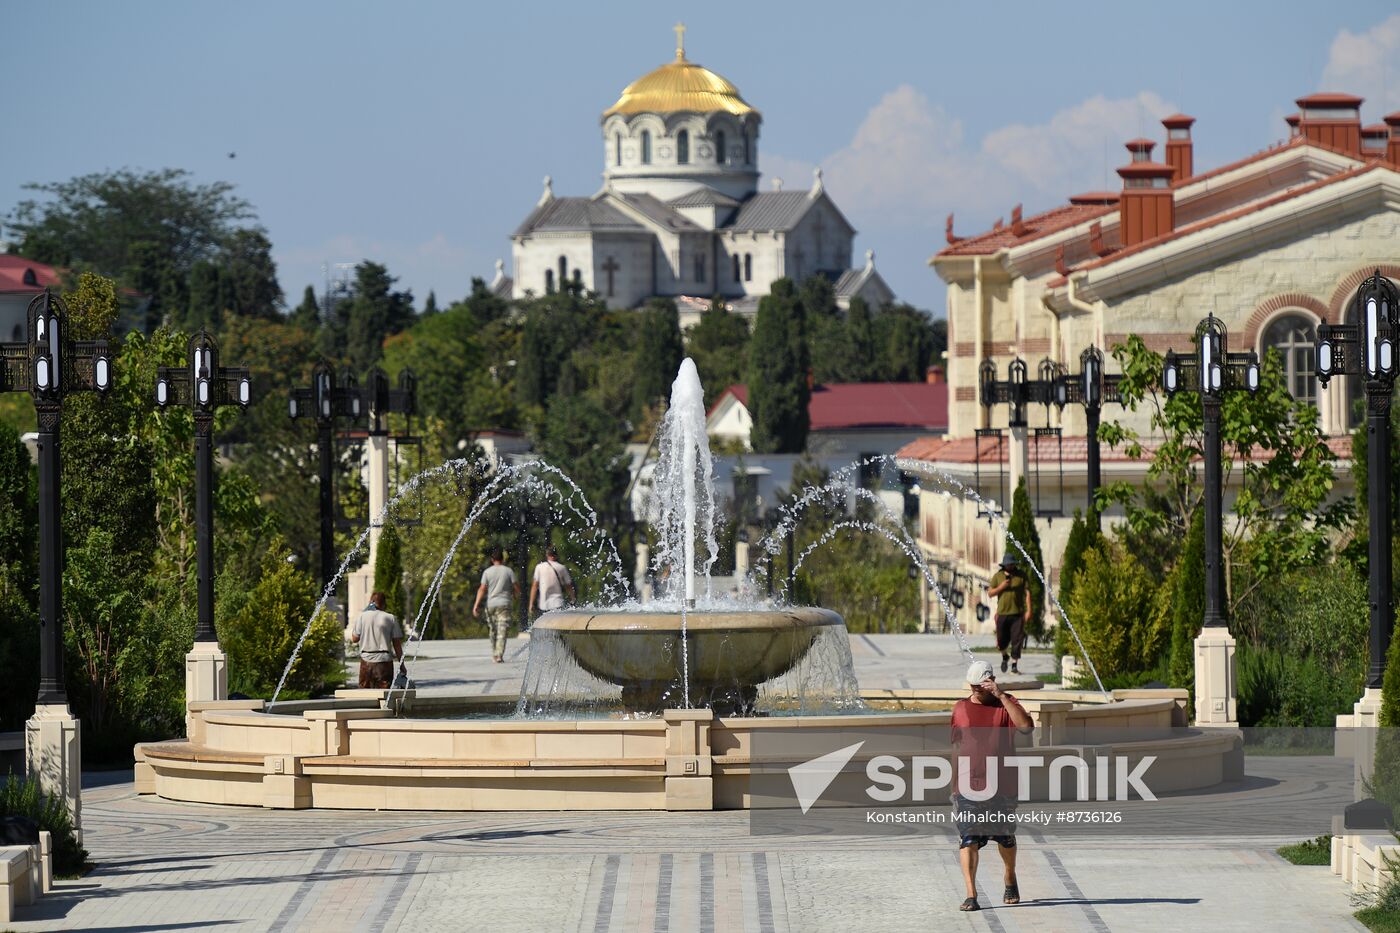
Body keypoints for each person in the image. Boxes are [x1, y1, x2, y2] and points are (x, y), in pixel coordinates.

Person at [951, 659, 1035, 912]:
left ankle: (1010, 876)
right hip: (967, 786)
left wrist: (1001, 695)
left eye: (981, 686)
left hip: (1002, 785)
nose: (976, 690)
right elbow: (957, 744)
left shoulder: (1005, 704)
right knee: (968, 838)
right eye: (973, 686)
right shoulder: (960, 708)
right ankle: (971, 894)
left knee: (1005, 837)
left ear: (991, 682)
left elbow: (1026, 728)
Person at [473, 546, 521, 663]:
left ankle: (495, 653)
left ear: (492, 559)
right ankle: (499, 654)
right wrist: (515, 595)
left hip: (491, 604)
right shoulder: (508, 571)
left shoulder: (487, 572)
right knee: (502, 630)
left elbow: (482, 589)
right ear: (502, 559)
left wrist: (476, 605)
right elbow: (516, 587)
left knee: (493, 630)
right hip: (505, 604)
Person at [349, 591, 404, 689]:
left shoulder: (362, 617)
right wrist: (402, 665)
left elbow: (354, 639)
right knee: (384, 694)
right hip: (384, 662)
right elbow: (397, 644)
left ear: (371, 602)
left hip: (366, 661)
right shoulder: (390, 618)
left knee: (365, 694)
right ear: (384, 604)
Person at [987, 555, 1031, 674]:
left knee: (1017, 640)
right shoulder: (998, 576)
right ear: (1004, 565)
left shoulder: (1021, 575)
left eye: (1012, 564)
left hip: (1017, 614)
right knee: (1001, 641)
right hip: (1002, 613)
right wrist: (1002, 586)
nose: (1010, 566)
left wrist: (1029, 610)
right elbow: (990, 593)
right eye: (1008, 564)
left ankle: (1014, 665)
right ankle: (1005, 656)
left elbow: (1027, 593)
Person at [529, 545, 576, 616]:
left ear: (547, 555)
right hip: (558, 603)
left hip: (544, 604)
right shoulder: (561, 568)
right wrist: (573, 599)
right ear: (556, 555)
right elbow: (568, 586)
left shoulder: (539, 567)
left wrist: (531, 604)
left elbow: (534, 586)